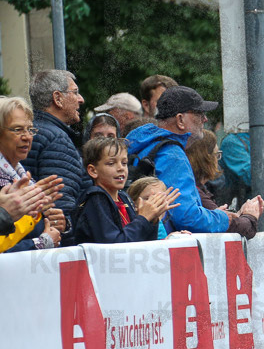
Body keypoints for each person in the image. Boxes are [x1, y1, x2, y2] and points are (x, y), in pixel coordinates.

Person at [127, 86, 258, 234]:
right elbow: (187, 217)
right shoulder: (172, 154)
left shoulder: (144, 140)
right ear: (180, 120)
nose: (205, 119)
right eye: (199, 113)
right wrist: (223, 218)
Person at [74, 136, 179, 245]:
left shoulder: (124, 197)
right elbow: (115, 245)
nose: (121, 168)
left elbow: (143, 243)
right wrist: (143, 218)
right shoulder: (96, 198)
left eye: (124, 163)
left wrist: (152, 219)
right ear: (93, 170)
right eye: (111, 163)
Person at [22, 69, 88, 241]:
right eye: (75, 93)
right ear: (57, 98)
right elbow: (60, 208)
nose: (81, 99)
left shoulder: (27, 133)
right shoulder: (56, 140)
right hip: (48, 249)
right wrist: (66, 232)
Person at [0, 96, 65, 252]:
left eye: (30, 129)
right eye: (18, 129)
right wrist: (42, 242)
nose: (27, 137)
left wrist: (55, 223)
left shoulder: (24, 179)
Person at [185, 129, 262, 239]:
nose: (217, 161)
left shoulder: (198, 189)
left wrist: (238, 215)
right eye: (216, 155)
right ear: (206, 158)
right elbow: (230, 226)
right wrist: (250, 216)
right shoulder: (195, 191)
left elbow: (224, 221)